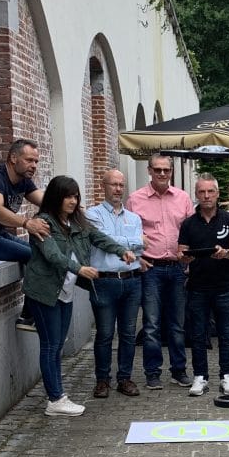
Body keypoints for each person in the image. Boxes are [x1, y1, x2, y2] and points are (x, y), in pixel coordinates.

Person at [23, 175, 135, 417]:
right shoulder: (43, 222)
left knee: (57, 345)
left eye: (75, 196)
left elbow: (99, 238)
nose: (73, 201)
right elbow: (53, 255)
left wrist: (121, 251)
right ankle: (55, 399)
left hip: (65, 291)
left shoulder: (76, 221)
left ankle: (57, 396)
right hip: (44, 292)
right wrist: (80, 269)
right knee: (50, 345)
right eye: (68, 196)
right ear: (56, 197)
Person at [126, 154, 194, 389]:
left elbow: (191, 231)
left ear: (171, 171)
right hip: (151, 269)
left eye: (166, 170)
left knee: (177, 324)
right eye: (157, 169)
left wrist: (189, 260)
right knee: (152, 324)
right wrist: (137, 258)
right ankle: (152, 372)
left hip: (177, 268)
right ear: (149, 170)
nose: (162, 174)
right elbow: (127, 234)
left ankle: (179, 370)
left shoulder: (183, 198)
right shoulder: (135, 200)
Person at [178, 175, 229, 397]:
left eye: (210, 191)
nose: (206, 196)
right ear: (196, 194)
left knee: (226, 334)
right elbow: (181, 251)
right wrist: (184, 257)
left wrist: (225, 253)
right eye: (202, 192)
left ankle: (227, 375)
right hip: (197, 287)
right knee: (198, 334)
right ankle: (200, 376)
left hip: (224, 286)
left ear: (217, 193)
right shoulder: (188, 223)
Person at [0, 138, 49, 330]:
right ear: (13, 158)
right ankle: (28, 316)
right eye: (29, 160)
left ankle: (29, 314)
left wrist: (73, 208)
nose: (34, 165)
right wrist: (27, 223)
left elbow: (46, 201)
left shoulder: (23, 181)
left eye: (36, 161)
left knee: (42, 251)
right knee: (35, 256)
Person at [87, 168, 145, 399]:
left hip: (131, 281)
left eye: (121, 185)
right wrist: (133, 241)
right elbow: (103, 240)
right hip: (105, 281)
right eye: (113, 184)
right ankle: (102, 380)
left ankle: (125, 378)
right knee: (104, 333)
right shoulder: (92, 215)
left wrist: (134, 243)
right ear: (103, 186)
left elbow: (141, 248)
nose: (118, 189)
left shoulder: (134, 218)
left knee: (128, 333)